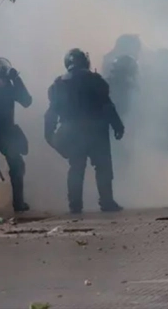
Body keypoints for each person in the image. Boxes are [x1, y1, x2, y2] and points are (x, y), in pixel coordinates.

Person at [44, 49, 125, 214]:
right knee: (103, 167)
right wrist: (117, 125)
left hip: (72, 130)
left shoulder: (58, 84)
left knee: (76, 167)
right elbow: (107, 106)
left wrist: (49, 134)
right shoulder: (96, 80)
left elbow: (52, 112)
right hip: (97, 130)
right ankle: (107, 202)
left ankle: (75, 205)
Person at [0, 58, 33, 214]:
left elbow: (27, 101)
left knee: (17, 167)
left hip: (7, 134)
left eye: (4, 79)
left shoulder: (10, 90)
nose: (1, 82)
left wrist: (17, 79)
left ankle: (18, 203)